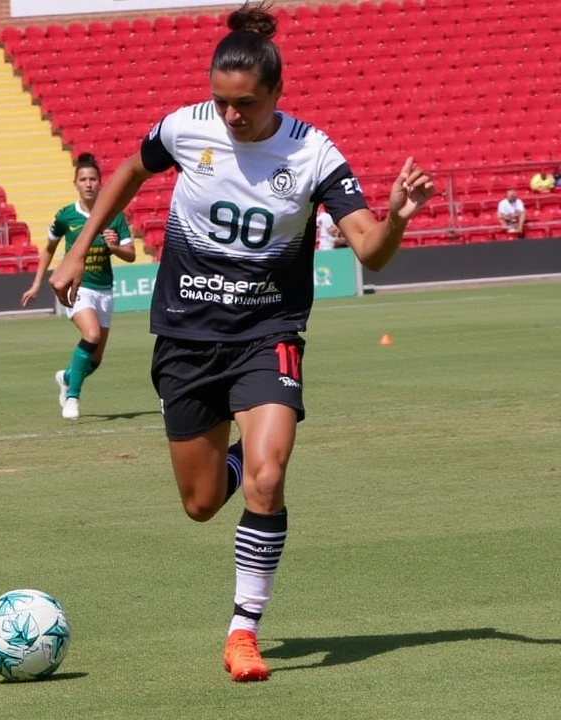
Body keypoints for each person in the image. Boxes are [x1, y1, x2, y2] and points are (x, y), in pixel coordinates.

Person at [48, 1, 434, 683]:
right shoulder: (184, 127)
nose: (231, 116)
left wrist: (398, 216)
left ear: (276, 94)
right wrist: (78, 251)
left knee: (268, 478)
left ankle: (243, 632)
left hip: (267, 333)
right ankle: (243, 454)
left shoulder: (313, 152)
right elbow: (128, 174)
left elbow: (371, 250)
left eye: (246, 104)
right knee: (200, 503)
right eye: (222, 101)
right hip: (186, 335)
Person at [21, 152, 137, 420]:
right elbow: (48, 250)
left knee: (94, 360)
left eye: (93, 179)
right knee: (92, 334)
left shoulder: (114, 215)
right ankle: (72, 397)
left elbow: (130, 254)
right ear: (75, 183)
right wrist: (37, 283)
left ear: (100, 183)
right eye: (83, 179)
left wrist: (115, 247)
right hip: (78, 288)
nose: (88, 184)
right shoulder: (66, 216)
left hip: (104, 290)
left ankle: (67, 378)